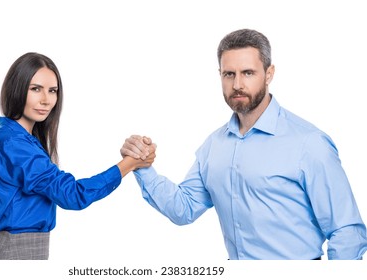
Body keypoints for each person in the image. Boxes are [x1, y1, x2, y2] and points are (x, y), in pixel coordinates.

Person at [120, 29, 367, 260]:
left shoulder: (309, 143)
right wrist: (140, 164)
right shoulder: (214, 146)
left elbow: (346, 231)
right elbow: (184, 209)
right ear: (220, 75)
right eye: (229, 74)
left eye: (248, 73)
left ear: (268, 74)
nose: (237, 84)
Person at [0, 52, 155, 260]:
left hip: (18, 247)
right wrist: (130, 163)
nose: (46, 100)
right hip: (18, 250)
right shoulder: (14, 144)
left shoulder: (18, 139)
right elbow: (73, 195)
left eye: (52, 91)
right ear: (17, 89)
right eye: (35, 89)